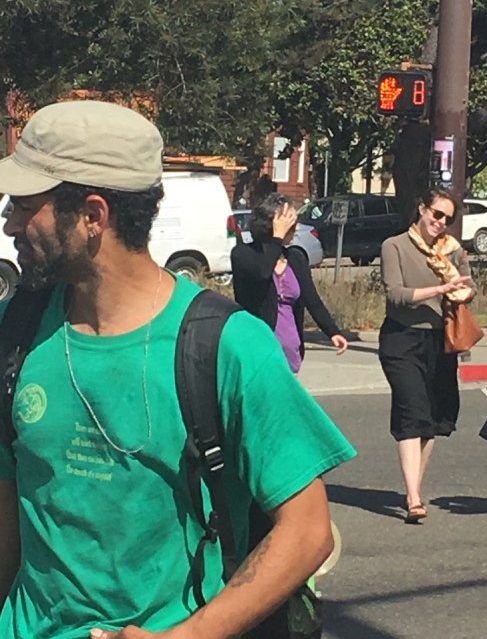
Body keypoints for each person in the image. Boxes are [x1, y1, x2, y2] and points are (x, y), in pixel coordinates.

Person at [0, 100, 356, 639]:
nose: (9, 221)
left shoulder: (226, 345)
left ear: (93, 216)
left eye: (27, 205)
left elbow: (307, 534)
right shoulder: (16, 327)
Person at [379, 185, 473, 524]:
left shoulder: (452, 250)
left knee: (433, 418)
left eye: (448, 218)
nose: (441, 223)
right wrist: (440, 288)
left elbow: (468, 285)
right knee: (412, 411)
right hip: (401, 340)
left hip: (439, 340)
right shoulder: (395, 246)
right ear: (422, 209)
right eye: (437, 214)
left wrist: (461, 290)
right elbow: (396, 295)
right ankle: (414, 497)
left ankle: (412, 491)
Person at [231, 194, 348, 374]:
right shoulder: (243, 254)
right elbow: (263, 273)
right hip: (257, 351)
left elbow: (312, 299)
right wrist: (277, 238)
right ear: (273, 225)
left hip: (290, 351)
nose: (297, 228)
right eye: (291, 224)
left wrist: (333, 331)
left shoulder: (295, 258)